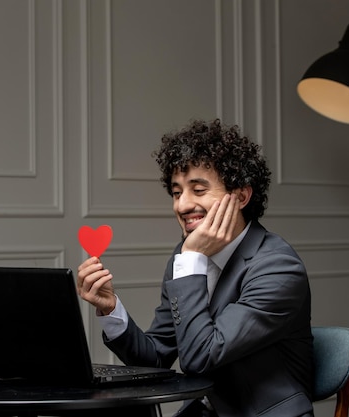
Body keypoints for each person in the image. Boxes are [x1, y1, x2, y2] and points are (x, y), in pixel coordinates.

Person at [77, 119, 314, 417]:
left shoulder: (278, 267)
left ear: (241, 196)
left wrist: (190, 258)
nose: (182, 205)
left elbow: (201, 357)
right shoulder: (187, 256)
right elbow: (156, 358)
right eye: (177, 193)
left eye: (198, 190)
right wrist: (111, 310)